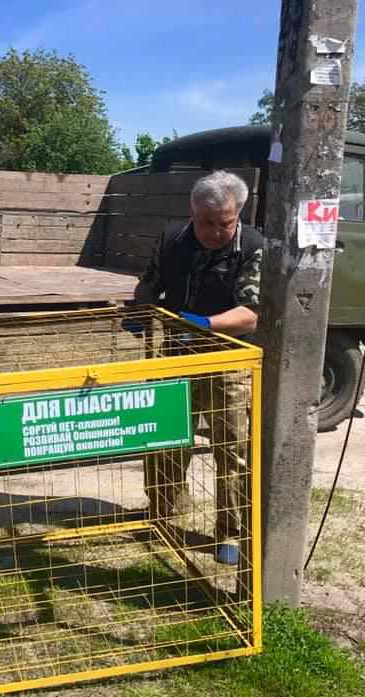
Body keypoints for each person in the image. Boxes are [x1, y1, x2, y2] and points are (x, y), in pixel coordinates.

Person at [133, 170, 263, 566]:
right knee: (166, 438)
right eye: (206, 223)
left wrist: (206, 324)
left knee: (233, 448)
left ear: (237, 213)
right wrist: (141, 309)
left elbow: (251, 313)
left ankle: (231, 532)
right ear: (192, 212)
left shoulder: (252, 245)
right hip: (177, 353)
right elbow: (149, 284)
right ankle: (164, 513)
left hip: (228, 357)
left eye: (224, 223)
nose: (215, 232)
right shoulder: (172, 239)